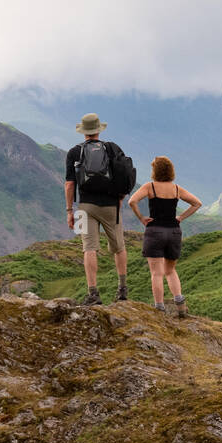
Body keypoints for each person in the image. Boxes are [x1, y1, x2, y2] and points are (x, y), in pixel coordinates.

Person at [65, 113, 129, 306]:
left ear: (83, 132)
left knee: (89, 248)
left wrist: (70, 210)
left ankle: (93, 293)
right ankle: (122, 290)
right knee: (119, 247)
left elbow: (69, 185)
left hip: (85, 206)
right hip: (111, 205)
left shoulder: (74, 152)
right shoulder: (112, 148)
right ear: (99, 130)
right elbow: (124, 176)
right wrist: (120, 198)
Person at [127, 155, 201, 317]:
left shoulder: (150, 187)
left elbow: (132, 201)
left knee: (157, 273)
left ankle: (159, 308)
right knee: (170, 271)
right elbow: (197, 203)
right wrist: (181, 218)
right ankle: (180, 306)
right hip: (174, 232)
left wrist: (141, 218)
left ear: (155, 170)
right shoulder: (176, 189)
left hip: (155, 231)